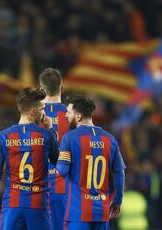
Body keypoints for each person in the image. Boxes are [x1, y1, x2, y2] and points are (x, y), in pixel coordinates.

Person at [0, 87, 59, 230]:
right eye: (42, 109)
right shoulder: (46, 136)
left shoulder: (3, 136)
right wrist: (51, 129)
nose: (44, 113)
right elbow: (59, 162)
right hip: (38, 206)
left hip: (12, 206)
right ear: (33, 111)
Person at [56, 95, 126, 230]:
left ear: (78, 116)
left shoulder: (69, 138)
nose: (66, 115)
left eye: (69, 113)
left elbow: (62, 171)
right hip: (102, 211)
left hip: (78, 212)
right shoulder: (110, 139)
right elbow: (119, 172)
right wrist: (117, 201)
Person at [39, 68, 69, 230]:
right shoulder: (73, 116)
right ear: (62, 88)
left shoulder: (31, 117)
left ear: (41, 90)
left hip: (35, 192)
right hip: (65, 190)